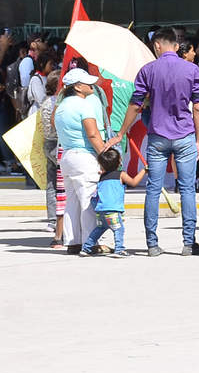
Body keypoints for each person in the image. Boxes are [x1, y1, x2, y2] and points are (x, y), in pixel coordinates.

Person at [115, 28, 199, 256]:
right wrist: (198, 139)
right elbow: (197, 107)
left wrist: (121, 132)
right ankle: (188, 243)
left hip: (157, 136)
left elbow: (136, 104)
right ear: (176, 46)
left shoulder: (147, 70)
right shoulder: (192, 70)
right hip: (184, 135)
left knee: (153, 190)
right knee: (187, 190)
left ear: (157, 45)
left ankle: (152, 244)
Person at [55, 68, 111, 255]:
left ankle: (73, 242)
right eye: (87, 82)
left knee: (72, 202)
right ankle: (90, 243)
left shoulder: (61, 106)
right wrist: (105, 157)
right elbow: (93, 134)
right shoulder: (84, 105)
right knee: (88, 200)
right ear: (78, 87)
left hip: (67, 156)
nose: (92, 85)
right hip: (84, 157)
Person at [80, 148, 146, 258]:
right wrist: (144, 171)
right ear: (119, 161)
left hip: (100, 210)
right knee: (119, 229)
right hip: (113, 211)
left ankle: (86, 248)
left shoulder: (102, 177)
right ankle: (119, 249)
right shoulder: (121, 175)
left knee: (99, 229)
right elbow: (133, 182)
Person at [38, 69, 65, 247]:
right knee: (61, 185)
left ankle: (51, 219)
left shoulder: (45, 102)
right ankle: (59, 219)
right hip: (57, 143)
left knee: (51, 184)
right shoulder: (57, 102)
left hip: (47, 143)